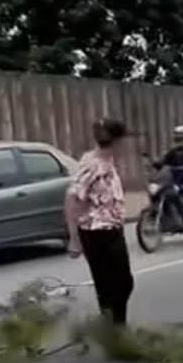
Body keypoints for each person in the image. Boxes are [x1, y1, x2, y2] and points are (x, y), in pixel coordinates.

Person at [65, 119, 134, 326]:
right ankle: (114, 329)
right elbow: (71, 199)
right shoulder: (92, 164)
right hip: (95, 233)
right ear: (117, 141)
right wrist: (74, 238)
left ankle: (114, 325)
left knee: (122, 283)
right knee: (110, 284)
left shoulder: (106, 161)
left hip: (112, 229)